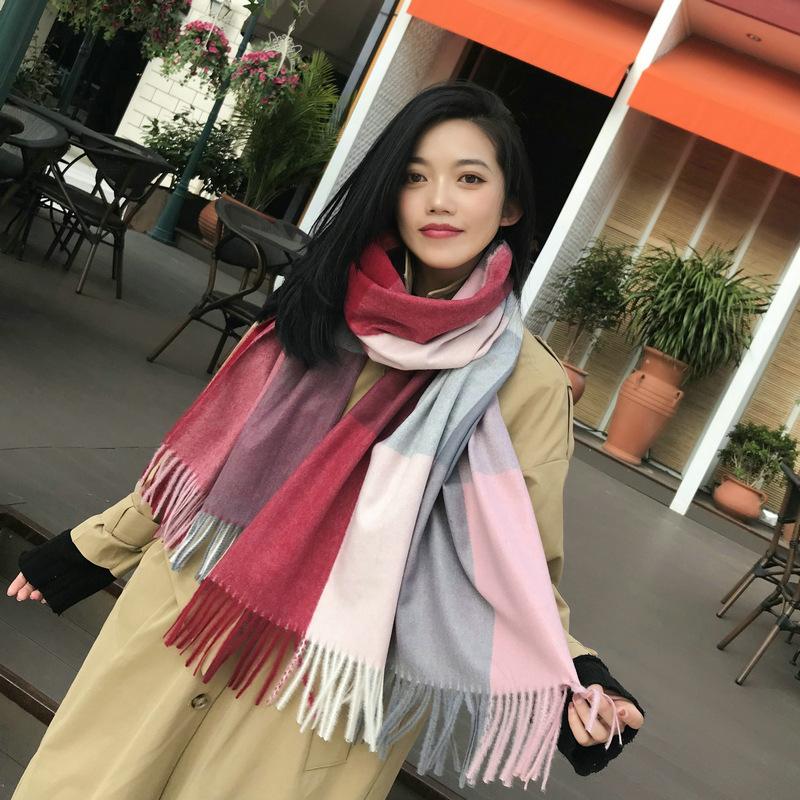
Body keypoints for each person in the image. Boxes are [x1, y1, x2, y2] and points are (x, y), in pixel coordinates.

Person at [8, 81, 644, 800]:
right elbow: (210, 460)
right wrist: (96, 546)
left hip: (320, 691)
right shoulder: (317, 301)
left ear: (510, 207)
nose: (439, 200)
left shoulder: (526, 382)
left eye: (469, 179)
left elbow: (512, 559)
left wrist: (574, 678)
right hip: (188, 615)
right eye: (414, 177)